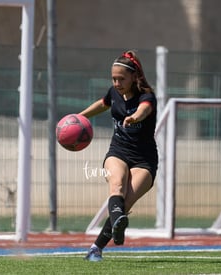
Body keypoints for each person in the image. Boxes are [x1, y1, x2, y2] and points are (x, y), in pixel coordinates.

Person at [79, 50, 158, 262]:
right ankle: (113, 230)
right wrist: (80, 116)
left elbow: (144, 110)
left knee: (125, 203)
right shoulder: (113, 93)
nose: (116, 83)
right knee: (117, 186)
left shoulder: (147, 96)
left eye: (121, 78)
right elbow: (102, 104)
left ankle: (97, 246)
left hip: (145, 159)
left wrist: (134, 117)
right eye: (113, 78)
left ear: (134, 77)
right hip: (118, 152)